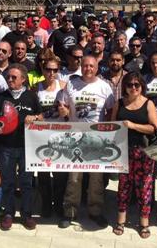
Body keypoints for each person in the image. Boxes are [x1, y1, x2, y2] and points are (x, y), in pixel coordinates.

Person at [58, 56, 115, 229]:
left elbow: (111, 111)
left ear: (97, 67)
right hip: (76, 138)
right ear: (81, 67)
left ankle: (95, 211)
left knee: (96, 179)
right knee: (74, 178)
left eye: (91, 65)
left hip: (97, 140)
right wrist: (64, 110)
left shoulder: (105, 87)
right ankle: (70, 212)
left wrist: (110, 134)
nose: (88, 68)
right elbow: (64, 106)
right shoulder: (71, 85)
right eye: (85, 65)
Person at [0, 63, 42, 231]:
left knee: (27, 182)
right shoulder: (1, 97)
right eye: (8, 77)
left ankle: (26, 214)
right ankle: (8, 213)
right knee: (8, 182)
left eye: (14, 77)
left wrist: (34, 117)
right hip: (6, 146)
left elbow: (41, 116)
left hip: (27, 146)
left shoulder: (31, 96)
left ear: (23, 79)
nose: (10, 79)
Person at [110, 72, 157, 239]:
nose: (133, 88)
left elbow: (154, 128)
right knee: (123, 186)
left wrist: (133, 125)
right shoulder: (119, 103)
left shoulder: (148, 104)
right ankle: (121, 220)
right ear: (125, 86)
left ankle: (144, 223)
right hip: (123, 151)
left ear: (142, 86)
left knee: (144, 188)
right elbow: (112, 126)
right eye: (130, 84)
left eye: (137, 85)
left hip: (143, 151)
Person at [35, 57, 67, 218]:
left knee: (60, 174)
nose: (51, 73)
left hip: (60, 135)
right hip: (41, 137)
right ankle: (46, 204)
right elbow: (32, 111)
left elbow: (69, 112)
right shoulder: (36, 87)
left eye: (55, 70)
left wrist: (65, 113)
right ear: (43, 69)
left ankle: (59, 204)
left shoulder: (63, 87)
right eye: (48, 69)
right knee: (43, 174)